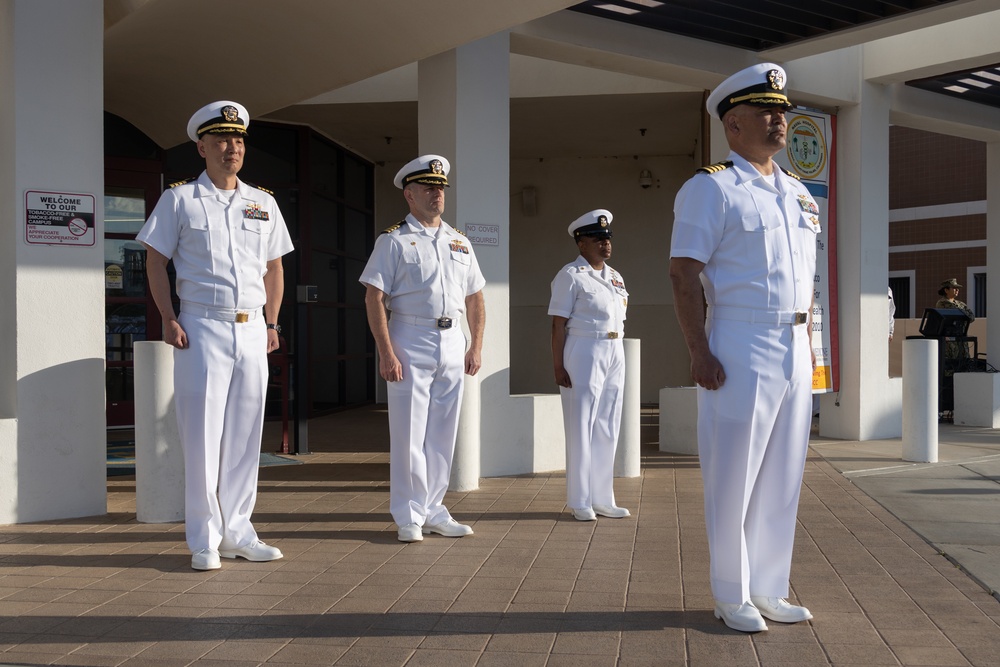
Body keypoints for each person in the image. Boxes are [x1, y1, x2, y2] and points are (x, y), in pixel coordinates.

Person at [668, 63, 818, 633]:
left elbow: (807, 281)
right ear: (733, 124)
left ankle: (770, 588)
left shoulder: (798, 194)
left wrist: (808, 346)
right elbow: (683, 273)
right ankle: (731, 594)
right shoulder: (711, 187)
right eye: (766, 111)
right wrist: (698, 350)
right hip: (740, 338)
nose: (780, 119)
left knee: (783, 473)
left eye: (781, 110)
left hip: (794, 342)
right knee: (734, 473)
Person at [138, 101, 294, 571]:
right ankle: (204, 538)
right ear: (202, 147)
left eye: (240, 140)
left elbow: (274, 268)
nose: (233, 148)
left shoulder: (262, 203)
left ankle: (239, 531)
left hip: (251, 329)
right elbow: (155, 261)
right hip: (201, 326)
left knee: (246, 437)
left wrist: (272, 322)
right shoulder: (180, 200)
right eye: (223, 140)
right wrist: (168, 316)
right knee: (203, 436)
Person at [359, 154, 486, 543]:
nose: (437, 194)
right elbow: (374, 298)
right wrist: (386, 352)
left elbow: (476, 299)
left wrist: (475, 346)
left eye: (441, 187)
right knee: (410, 432)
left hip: (452, 341)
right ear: (409, 194)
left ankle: (434, 509)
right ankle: (408, 514)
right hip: (409, 338)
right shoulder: (393, 240)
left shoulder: (459, 242)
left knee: (443, 432)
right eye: (429, 188)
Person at [549, 210, 631, 522]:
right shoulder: (570, 276)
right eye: (598, 239)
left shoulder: (615, 277)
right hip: (583, 348)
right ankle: (580, 500)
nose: (605, 243)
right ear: (581, 243)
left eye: (607, 238)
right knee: (581, 425)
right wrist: (558, 366)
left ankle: (603, 497)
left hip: (614, 349)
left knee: (608, 424)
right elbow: (558, 325)